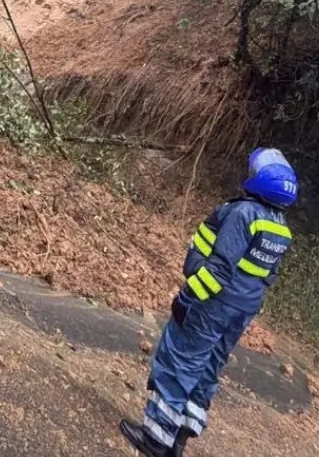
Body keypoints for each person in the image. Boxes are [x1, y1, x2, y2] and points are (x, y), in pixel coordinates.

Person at [120, 147, 298, 457]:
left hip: (213, 303)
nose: (249, 175)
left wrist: (188, 297)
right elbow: (268, 276)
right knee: (208, 366)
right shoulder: (279, 227)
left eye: (254, 172)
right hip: (241, 308)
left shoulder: (244, 213)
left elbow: (218, 269)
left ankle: (156, 438)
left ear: (262, 181)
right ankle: (178, 438)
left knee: (181, 360)